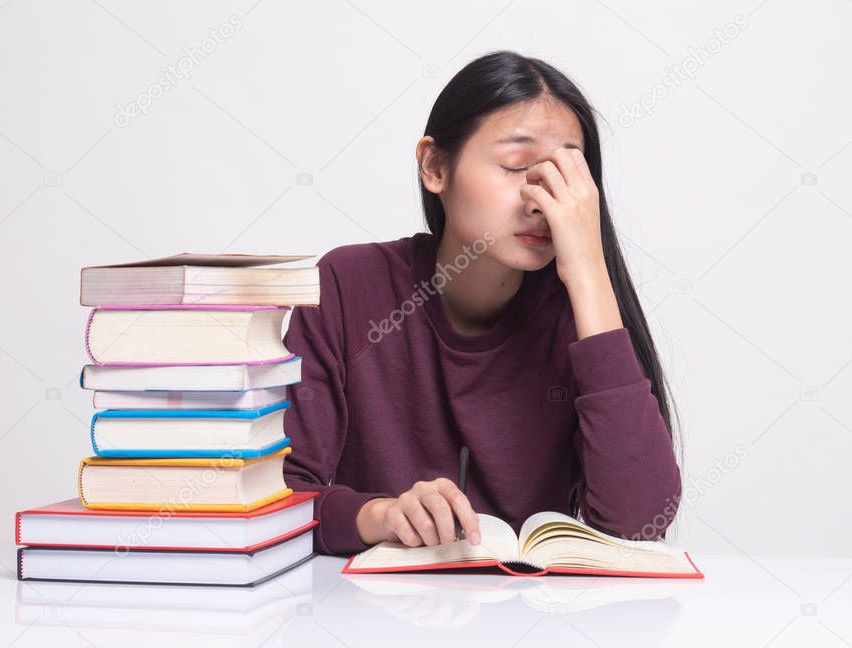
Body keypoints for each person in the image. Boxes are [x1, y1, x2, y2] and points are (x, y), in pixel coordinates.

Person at [282, 50, 681, 557]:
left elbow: (640, 525)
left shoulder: (578, 314)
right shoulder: (347, 285)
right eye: (517, 165)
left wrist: (588, 271)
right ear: (434, 166)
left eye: (565, 175)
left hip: (531, 617)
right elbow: (277, 498)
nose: (541, 199)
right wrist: (379, 515)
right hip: (369, 618)